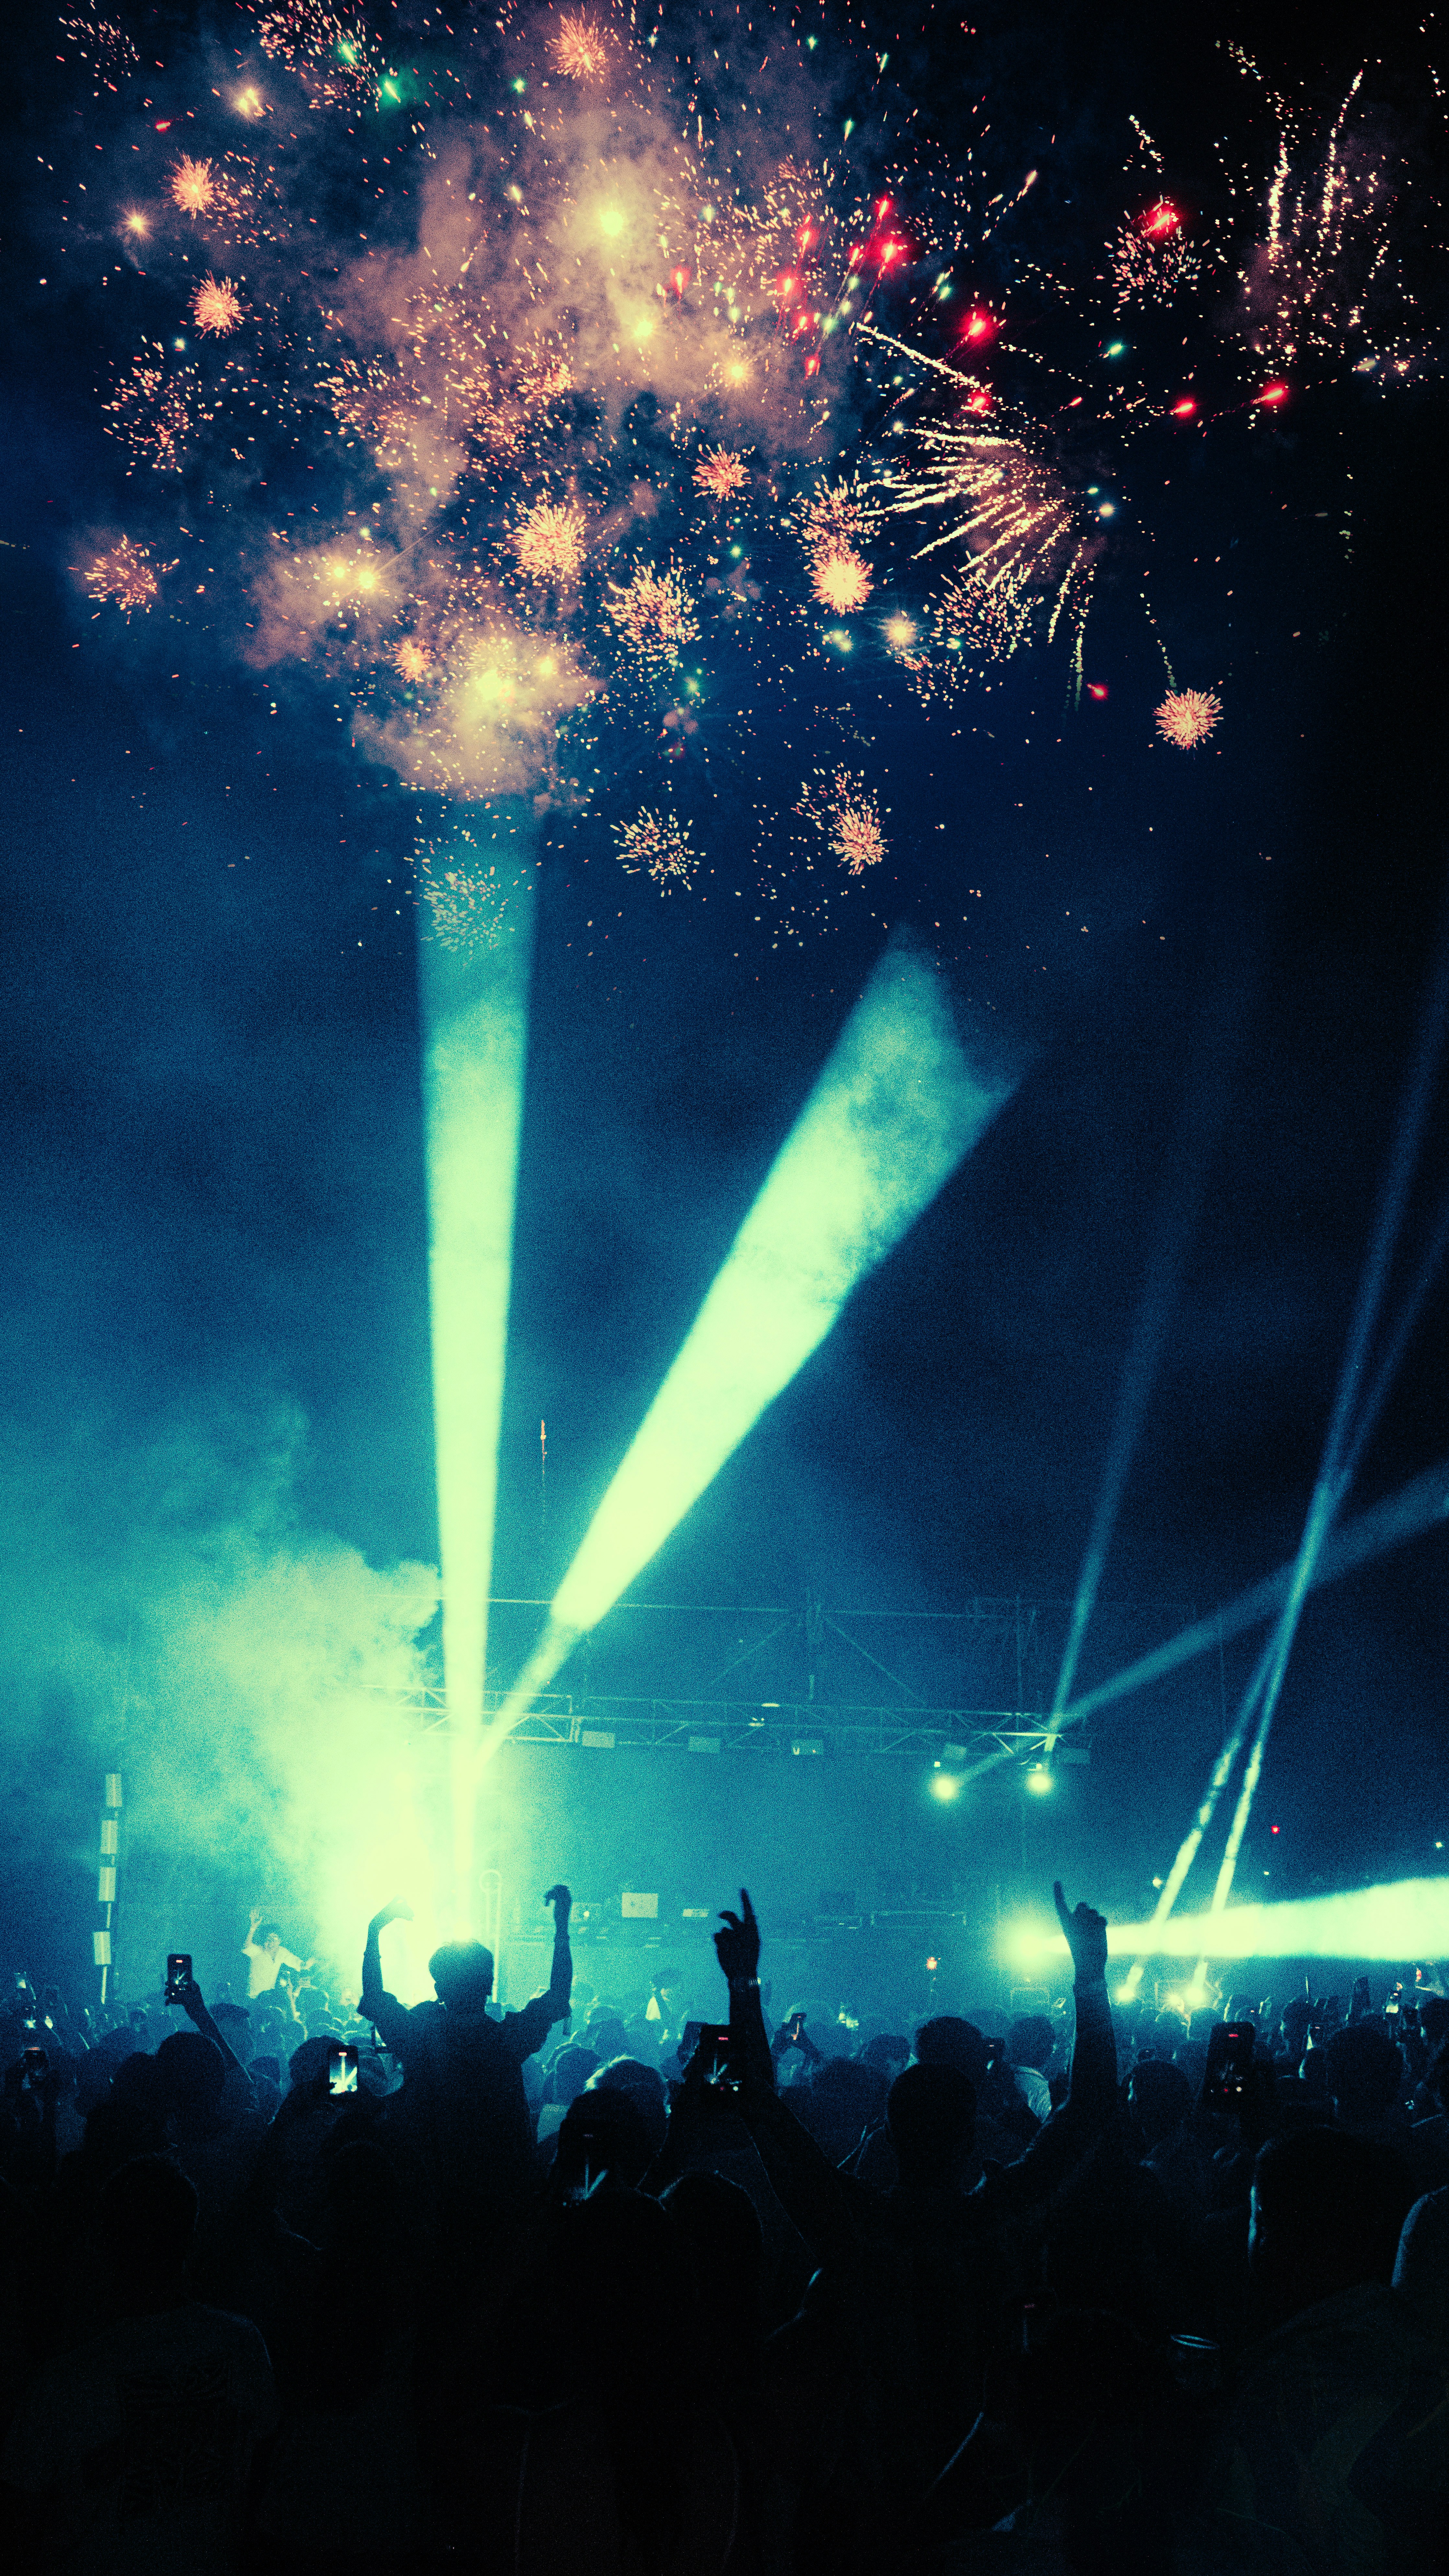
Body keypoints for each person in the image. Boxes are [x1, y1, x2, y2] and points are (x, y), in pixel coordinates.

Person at [0, 2155, 277, 2570]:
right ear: (191, 2236)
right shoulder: (242, 2342)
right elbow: (263, 2467)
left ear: (103, 2239)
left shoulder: (66, 2381)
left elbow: (17, 2525)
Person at [360, 1885, 573, 2215]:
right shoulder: (507, 2040)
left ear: (438, 1987)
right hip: (504, 2193)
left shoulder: (419, 2039)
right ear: (489, 1985)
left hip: (432, 2194)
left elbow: (375, 1996)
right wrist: (562, 1926)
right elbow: (558, 1994)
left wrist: (375, 1930)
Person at [241, 1911, 312, 2002]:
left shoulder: (282, 1952)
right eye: (268, 1940)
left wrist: (310, 1963)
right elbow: (246, 1947)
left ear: (280, 1941)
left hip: (269, 1998)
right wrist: (253, 1928)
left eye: (274, 1939)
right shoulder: (258, 1951)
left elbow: (298, 1964)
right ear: (264, 1941)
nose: (271, 1943)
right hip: (253, 1998)